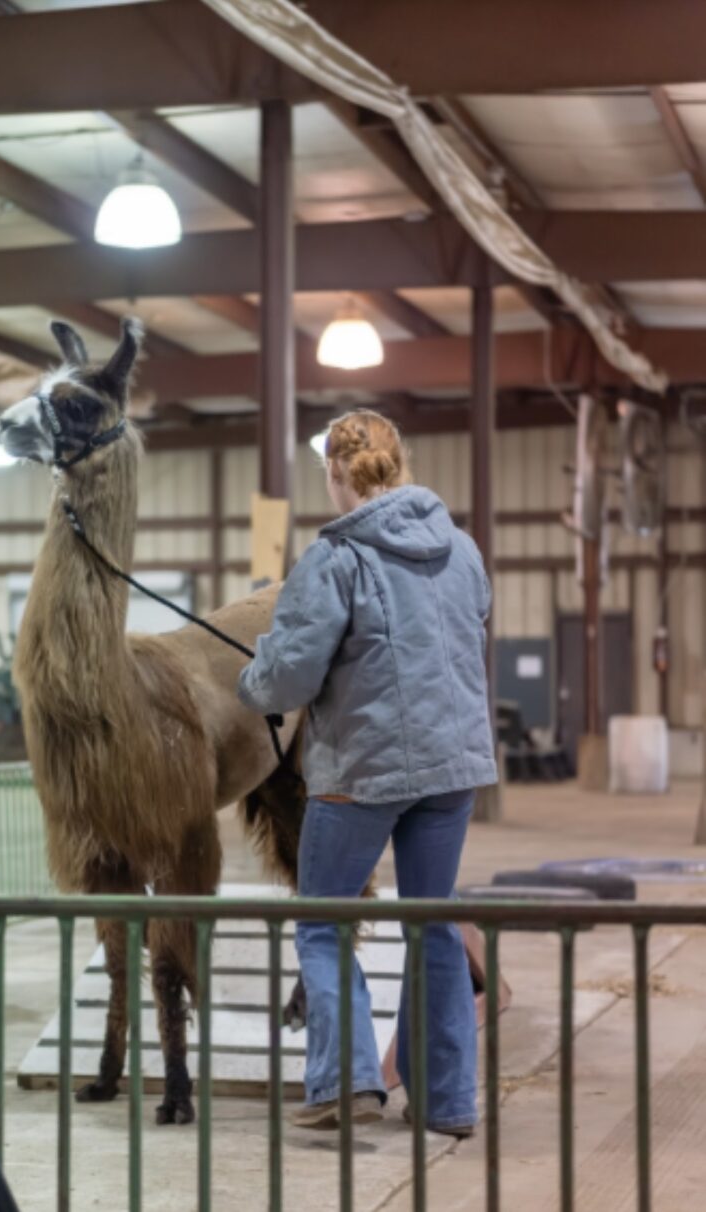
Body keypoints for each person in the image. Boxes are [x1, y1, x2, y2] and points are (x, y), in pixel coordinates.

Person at [237, 410, 497, 1133]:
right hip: (452, 772)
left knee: (323, 920)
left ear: (337, 474)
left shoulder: (335, 559)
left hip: (362, 772)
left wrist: (249, 683)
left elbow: (288, 678)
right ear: (398, 465)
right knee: (432, 922)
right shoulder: (464, 551)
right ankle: (448, 1100)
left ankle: (345, 1083)